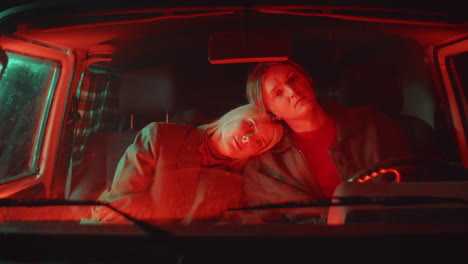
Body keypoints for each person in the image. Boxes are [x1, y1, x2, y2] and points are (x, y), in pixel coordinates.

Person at [243, 60, 411, 208]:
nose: (292, 91)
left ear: (308, 79)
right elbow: (264, 229)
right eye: (278, 93)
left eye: (293, 79)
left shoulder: (373, 124)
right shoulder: (264, 168)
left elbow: (412, 187)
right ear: (271, 112)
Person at [89, 104, 283, 224]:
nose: (248, 138)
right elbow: (122, 204)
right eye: (250, 124)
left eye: (259, 142)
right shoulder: (161, 136)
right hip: (117, 235)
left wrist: (153, 201)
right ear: (233, 116)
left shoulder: (241, 182)